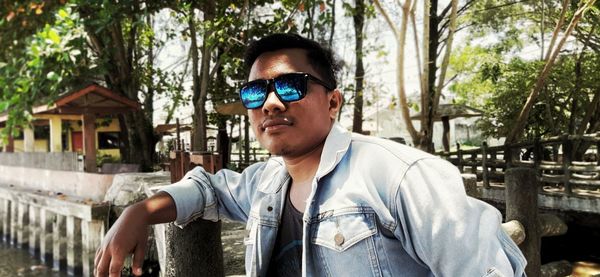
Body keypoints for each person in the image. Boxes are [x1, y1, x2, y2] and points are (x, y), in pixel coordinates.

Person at [94, 33, 526, 277]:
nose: (271, 104)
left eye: (290, 86)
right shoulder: (267, 182)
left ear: (333, 102)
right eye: (255, 92)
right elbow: (208, 188)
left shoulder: (399, 175)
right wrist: (139, 212)